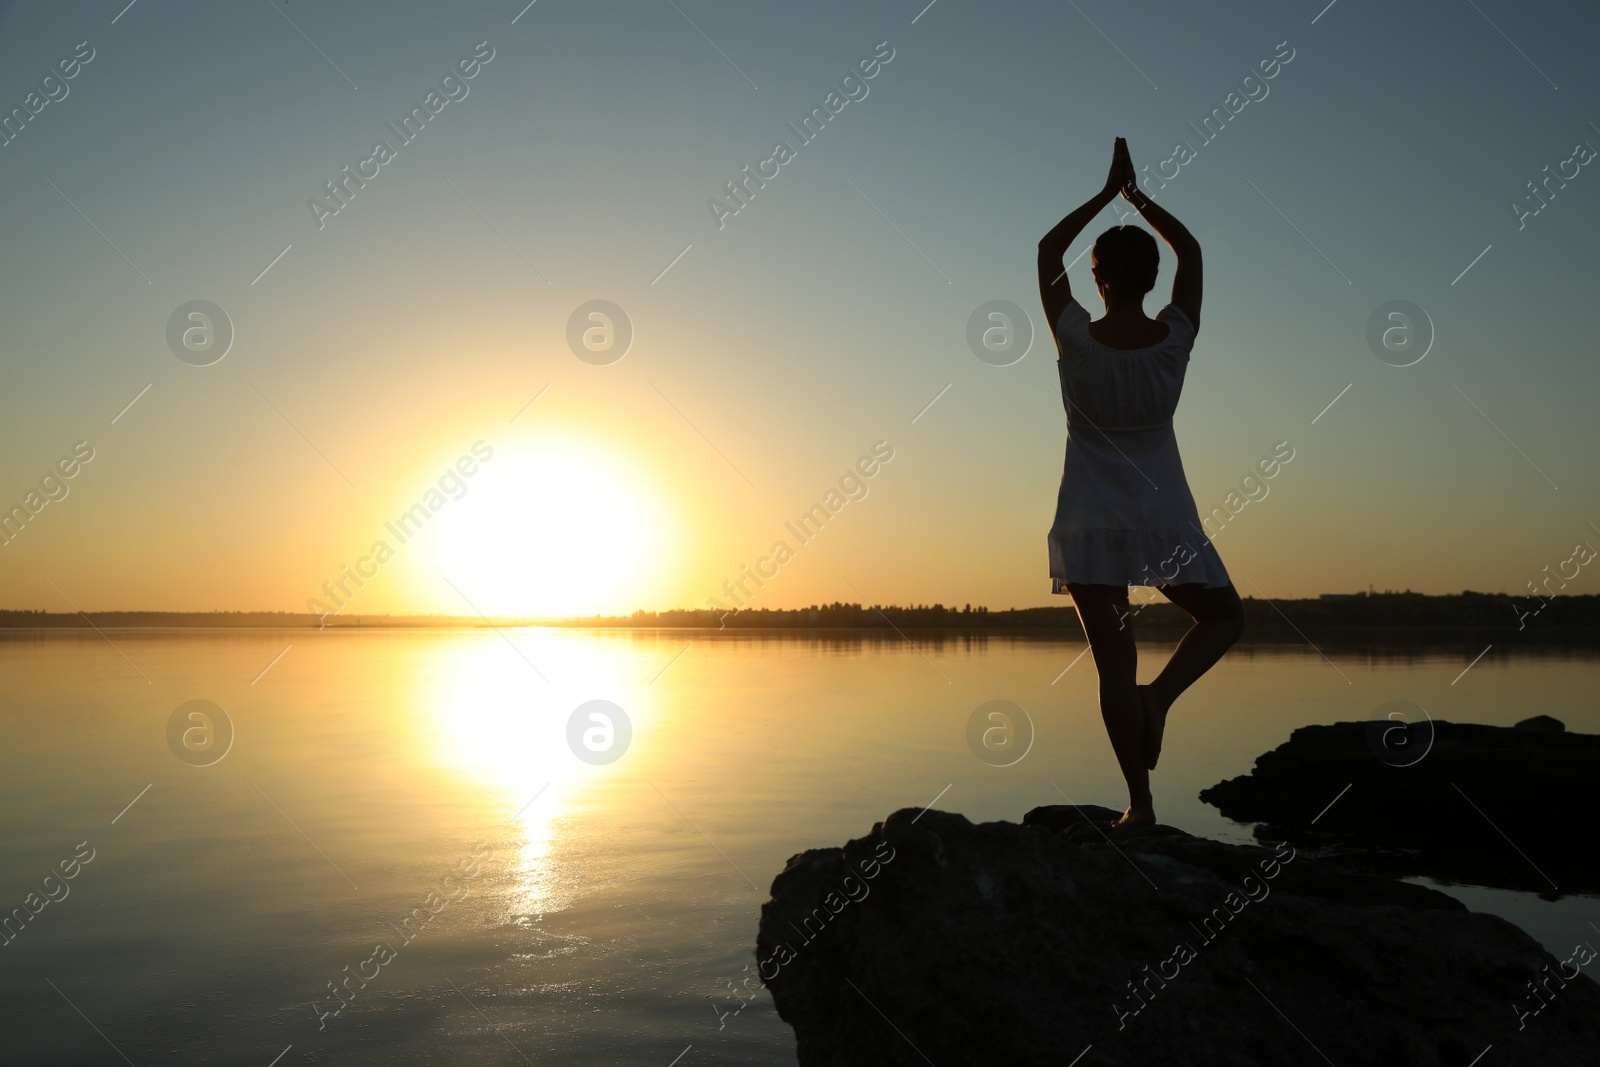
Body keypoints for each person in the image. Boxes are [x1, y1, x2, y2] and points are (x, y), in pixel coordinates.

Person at [1037, 137, 1245, 829]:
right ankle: (1161, 699)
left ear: (1097, 278)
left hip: (1092, 525)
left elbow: (1045, 252)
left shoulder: (1076, 339)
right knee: (1225, 617)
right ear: (1150, 278)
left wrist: (1103, 194)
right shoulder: (1175, 339)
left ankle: (1141, 805)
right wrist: (1139, 198)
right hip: (1163, 519)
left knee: (1113, 671)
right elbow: (1193, 253)